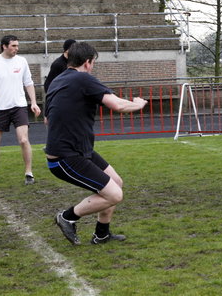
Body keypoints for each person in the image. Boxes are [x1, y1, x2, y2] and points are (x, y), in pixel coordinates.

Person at [45, 41, 147, 245]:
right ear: (88, 62)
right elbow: (116, 104)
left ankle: (102, 234)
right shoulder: (83, 79)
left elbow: (49, 118)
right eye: (93, 62)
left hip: (80, 150)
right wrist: (137, 105)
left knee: (116, 182)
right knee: (114, 195)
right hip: (65, 157)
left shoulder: (59, 80)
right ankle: (67, 217)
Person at [0, 35, 41, 185]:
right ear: (4, 46)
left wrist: (34, 102)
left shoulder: (22, 61)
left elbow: (28, 83)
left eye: (17, 46)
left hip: (19, 106)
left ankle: (29, 173)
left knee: (23, 140)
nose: (16, 49)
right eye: (13, 46)